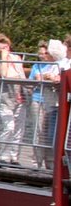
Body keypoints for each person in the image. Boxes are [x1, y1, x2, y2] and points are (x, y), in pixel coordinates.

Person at [0, 33, 26, 166]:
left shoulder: (16, 58)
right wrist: (3, 57)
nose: (6, 49)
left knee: (19, 129)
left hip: (19, 97)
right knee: (9, 126)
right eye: (2, 48)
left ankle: (14, 158)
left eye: (7, 46)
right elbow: (3, 75)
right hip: (4, 99)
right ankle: (2, 156)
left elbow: (21, 76)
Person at [29, 41, 64, 170]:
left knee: (51, 134)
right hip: (40, 101)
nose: (43, 56)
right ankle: (37, 162)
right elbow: (36, 78)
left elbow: (54, 78)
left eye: (46, 53)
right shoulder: (37, 66)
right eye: (41, 54)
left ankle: (52, 163)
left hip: (52, 103)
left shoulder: (57, 64)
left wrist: (46, 77)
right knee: (40, 132)